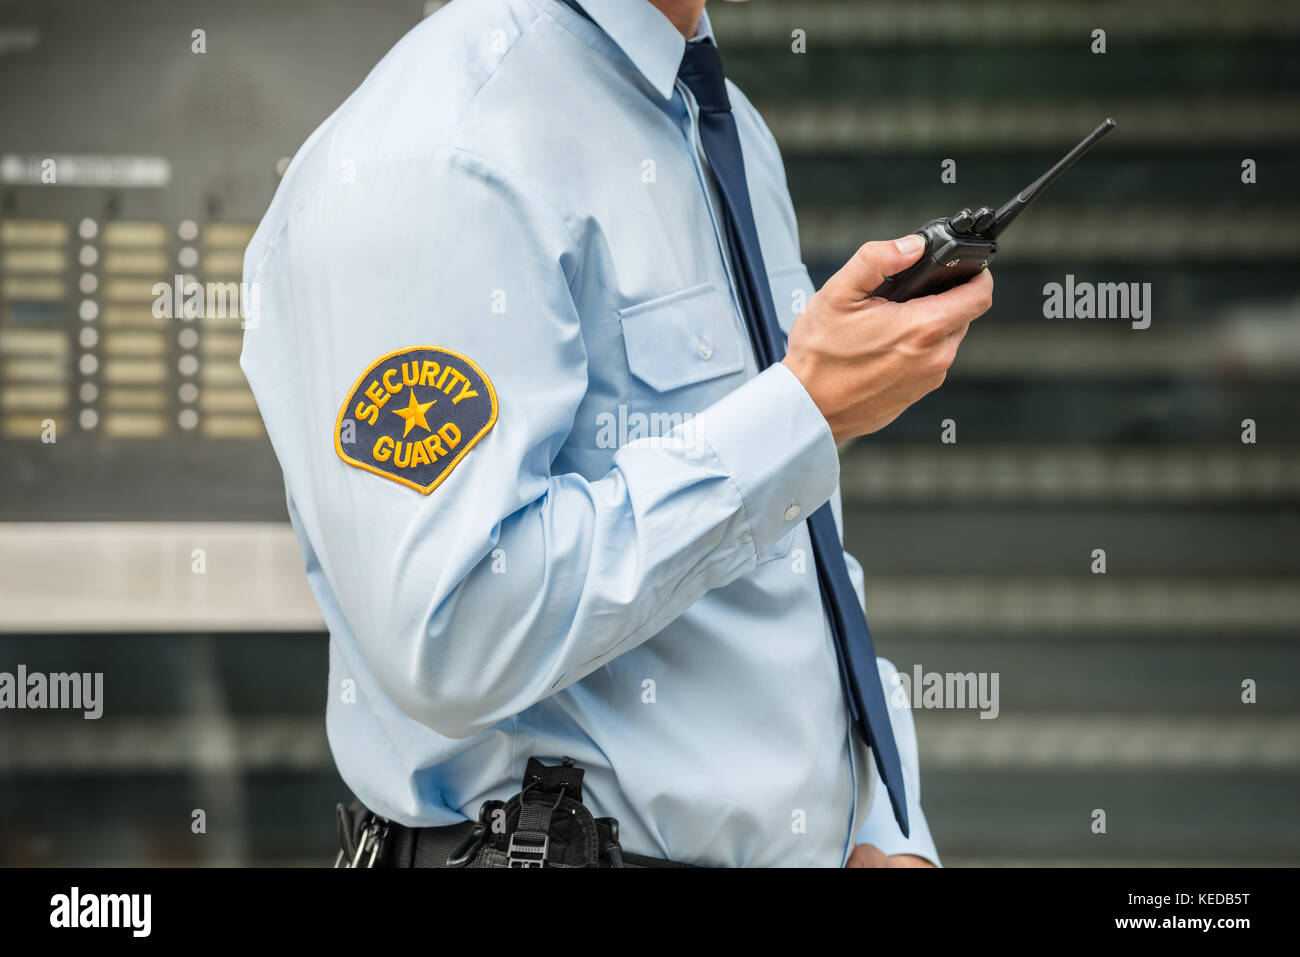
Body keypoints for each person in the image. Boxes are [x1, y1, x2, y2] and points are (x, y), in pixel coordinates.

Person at [241, 0, 992, 867]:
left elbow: (786, 554)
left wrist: (880, 828)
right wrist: (799, 415)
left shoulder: (722, 122)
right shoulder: (438, 153)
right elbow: (453, 630)